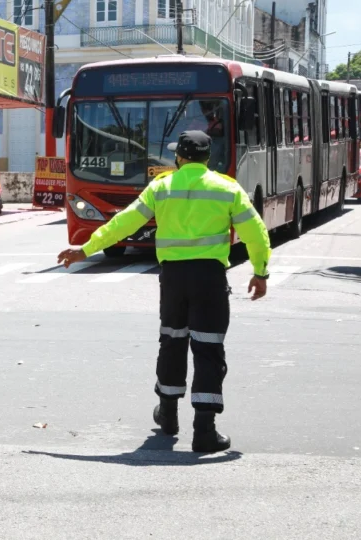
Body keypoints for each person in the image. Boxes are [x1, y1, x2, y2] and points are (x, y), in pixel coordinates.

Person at [57, 131, 272, 453]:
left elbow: (124, 223)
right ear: (207, 157)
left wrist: (86, 250)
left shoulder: (162, 186)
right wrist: (260, 272)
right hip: (210, 278)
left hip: (173, 279)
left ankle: (168, 415)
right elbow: (255, 232)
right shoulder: (227, 188)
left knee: (172, 341)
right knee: (208, 347)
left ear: (179, 157)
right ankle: (205, 430)